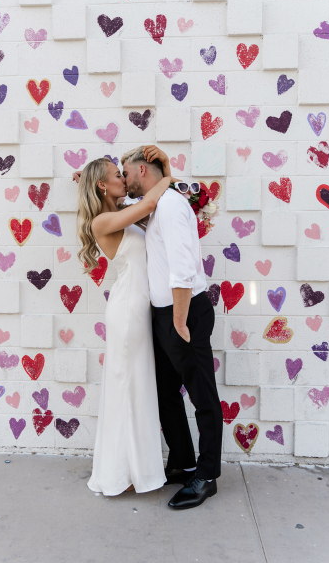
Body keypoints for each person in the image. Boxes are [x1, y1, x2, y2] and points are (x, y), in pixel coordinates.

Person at [121, 146, 223, 510]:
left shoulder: (172, 205)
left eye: (126, 171)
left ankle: (207, 475)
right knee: (164, 390)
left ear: (144, 171)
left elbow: (183, 267)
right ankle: (183, 460)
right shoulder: (155, 203)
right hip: (166, 315)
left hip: (185, 313)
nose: (123, 177)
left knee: (202, 395)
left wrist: (179, 320)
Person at [75, 151, 174, 496]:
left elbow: (146, 207)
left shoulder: (116, 214)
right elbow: (148, 205)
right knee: (128, 389)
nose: (124, 178)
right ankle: (122, 472)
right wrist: (169, 176)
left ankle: (134, 468)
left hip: (136, 308)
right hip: (128, 312)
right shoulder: (101, 223)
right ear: (103, 185)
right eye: (117, 175)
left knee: (136, 388)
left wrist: (91, 178)